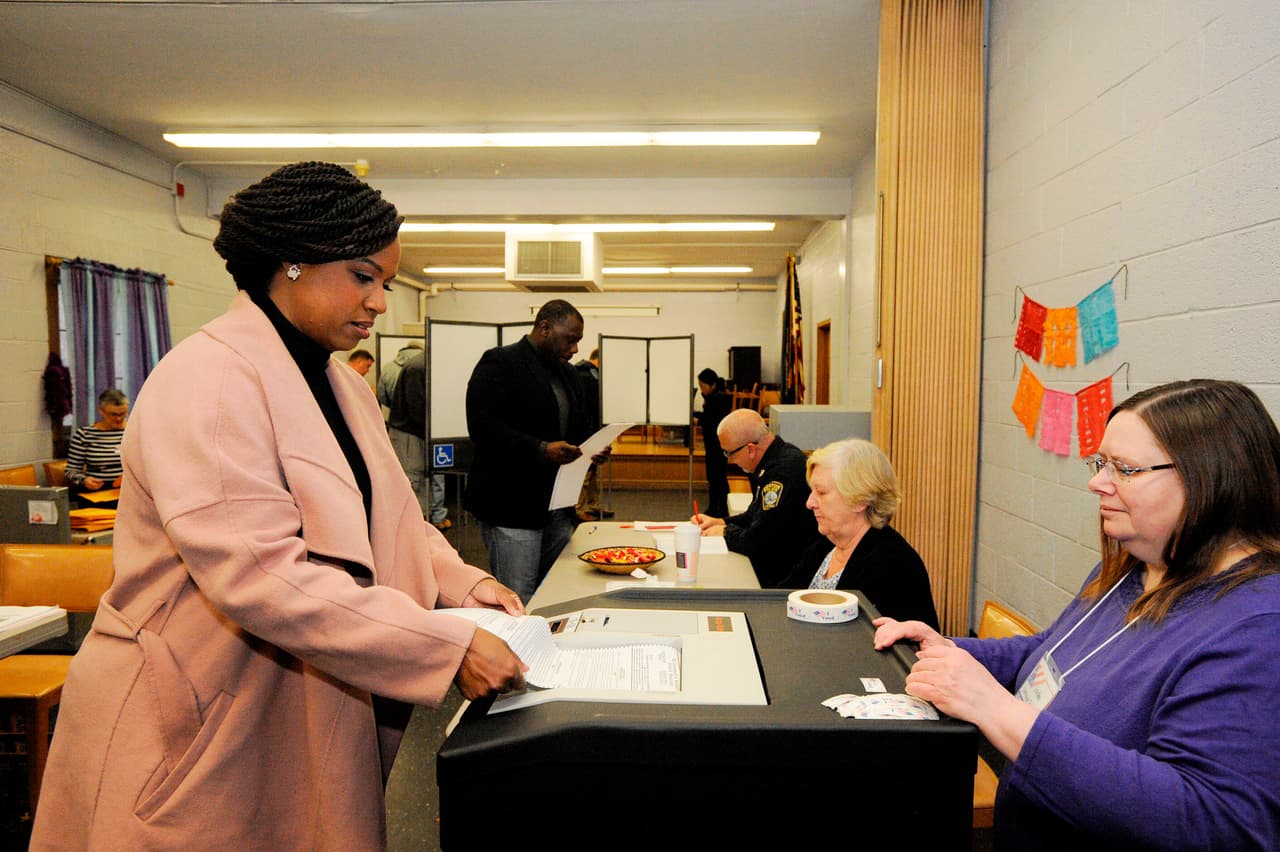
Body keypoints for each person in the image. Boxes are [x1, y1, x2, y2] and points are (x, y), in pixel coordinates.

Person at [31, 162, 527, 850]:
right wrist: (441, 643)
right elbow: (259, 573)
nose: (381, 302)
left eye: (383, 281)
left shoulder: (342, 386)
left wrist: (464, 583)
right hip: (201, 705)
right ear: (291, 262)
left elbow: (392, 518)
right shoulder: (208, 379)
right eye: (363, 276)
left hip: (298, 686)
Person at [874, 379, 1280, 850]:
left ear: (1211, 480)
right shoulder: (1135, 567)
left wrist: (995, 709)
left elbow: (1210, 821)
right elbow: (1055, 653)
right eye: (1100, 463)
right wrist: (948, 649)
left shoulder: (1257, 629)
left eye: (1124, 469)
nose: (1096, 482)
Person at [465, 299, 602, 603]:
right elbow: (483, 428)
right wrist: (540, 450)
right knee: (519, 598)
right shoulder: (500, 363)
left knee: (554, 592)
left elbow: (573, 428)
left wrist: (590, 447)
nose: (576, 349)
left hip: (557, 505)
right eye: (571, 339)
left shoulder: (568, 374)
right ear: (544, 328)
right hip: (512, 504)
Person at [778, 438, 938, 629]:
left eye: (821, 493)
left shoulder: (893, 564)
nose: (810, 503)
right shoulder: (826, 545)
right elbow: (781, 600)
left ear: (860, 500)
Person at [692, 408, 823, 586]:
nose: (730, 460)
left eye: (729, 453)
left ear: (751, 449)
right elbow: (755, 516)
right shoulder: (775, 459)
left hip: (784, 577)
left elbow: (759, 541)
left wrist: (725, 533)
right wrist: (720, 522)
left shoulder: (783, 473)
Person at [384, 345, 450, 530]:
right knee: (414, 483)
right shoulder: (418, 367)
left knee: (421, 482)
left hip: (415, 432)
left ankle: (421, 529)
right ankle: (416, 531)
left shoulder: (420, 364)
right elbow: (417, 409)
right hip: (410, 434)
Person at [64, 387, 128, 495]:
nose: (118, 419)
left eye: (122, 414)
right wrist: (84, 480)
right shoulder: (84, 435)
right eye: (113, 414)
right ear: (101, 411)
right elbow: (71, 471)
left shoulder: (134, 432)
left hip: (129, 491)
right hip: (98, 490)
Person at [574, 348, 608, 522]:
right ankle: (578, 509)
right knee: (584, 471)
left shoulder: (588, 373)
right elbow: (589, 407)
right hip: (586, 431)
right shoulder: (586, 376)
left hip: (591, 428)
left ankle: (592, 505)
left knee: (591, 471)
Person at [693, 367, 732, 517]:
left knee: (718, 477)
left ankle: (722, 509)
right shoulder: (714, 397)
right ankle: (714, 507)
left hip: (718, 444)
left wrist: (699, 420)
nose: (701, 390)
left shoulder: (719, 399)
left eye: (703, 386)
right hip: (712, 443)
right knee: (713, 476)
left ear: (713, 385)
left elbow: (713, 421)